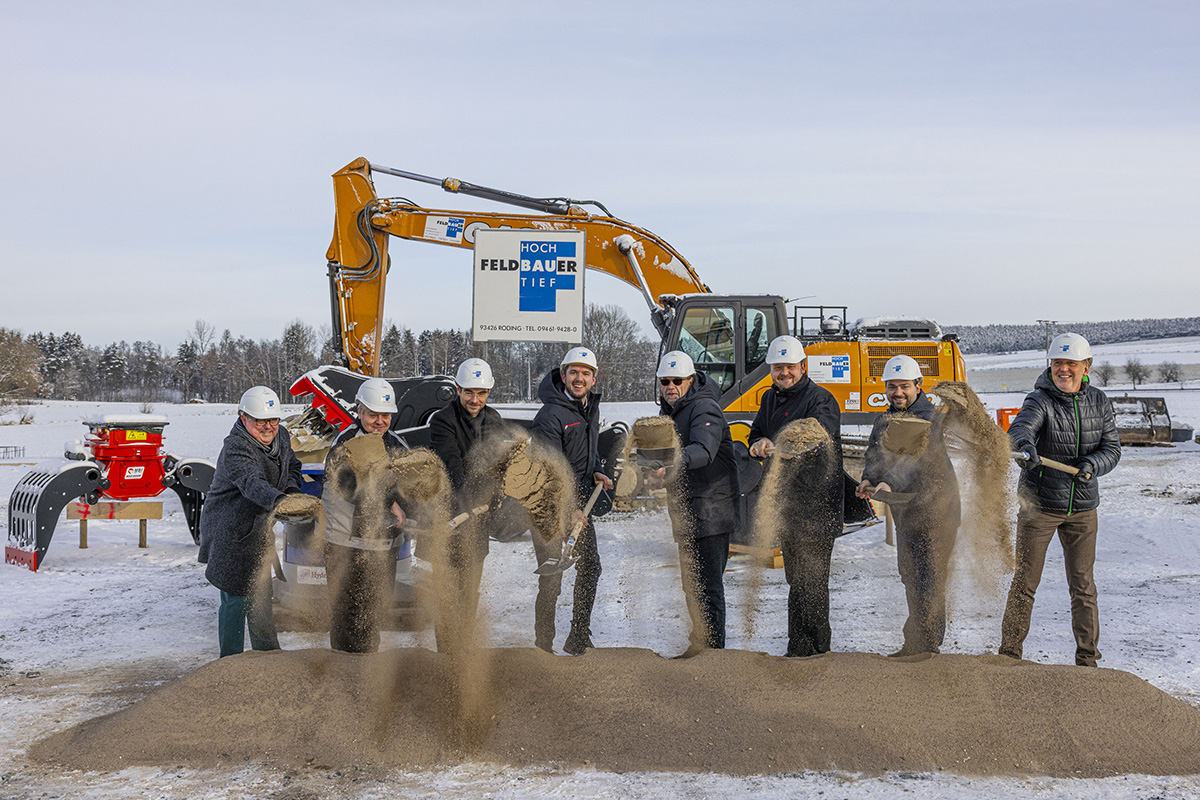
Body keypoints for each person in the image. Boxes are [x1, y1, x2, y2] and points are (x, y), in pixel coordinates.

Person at [1000, 333, 1121, 667]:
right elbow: (1020, 430)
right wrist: (1025, 448)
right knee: (1025, 582)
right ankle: (1010, 654)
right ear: (1049, 365)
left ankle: (1087, 659)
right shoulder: (1039, 400)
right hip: (1039, 506)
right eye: (1057, 363)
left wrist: (1092, 465)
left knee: (1083, 586)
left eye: (1070, 364)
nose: (1063, 370)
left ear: (1086, 367)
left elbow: (1112, 449)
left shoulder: (1099, 401)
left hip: (1083, 509)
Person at [856, 354, 960, 656]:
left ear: (918, 386)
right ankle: (915, 641)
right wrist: (867, 478)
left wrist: (889, 481)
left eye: (904, 386)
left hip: (938, 512)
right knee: (910, 577)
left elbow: (915, 459)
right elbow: (874, 454)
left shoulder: (930, 420)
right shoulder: (885, 418)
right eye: (892, 387)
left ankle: (927, 648)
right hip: (907, 513)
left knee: (930, 579)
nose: (897, 393)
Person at [747, 335, 843, 657]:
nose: (784, 373)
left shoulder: (821, 399)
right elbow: (756, 430)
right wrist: (758, 442)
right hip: (788, 506)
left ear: (803, 366)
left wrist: (786, 445)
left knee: (812, 585)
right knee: (796, 582)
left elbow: (818, 433)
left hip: (818, 507)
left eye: (789, 367)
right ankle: (797, 650)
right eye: (777, 368)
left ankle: (818, 653)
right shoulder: (769, 400)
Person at [198, 386, 302, 658]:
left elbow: (293, 466)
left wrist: (291, 491)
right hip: (229, 528)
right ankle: (230, 661)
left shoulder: (281, 436)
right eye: (260, 421)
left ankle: (267, 655)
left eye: (273, 420)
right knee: (235, 597)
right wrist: (281, 501)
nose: (268, 427)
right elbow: (251, 482)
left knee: (260, 592)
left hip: (258, 526)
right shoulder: (236, 447)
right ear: (244, 418)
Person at [650, 350, 740, 656]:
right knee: (692, 586)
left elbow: (702, 450)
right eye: (665, 381)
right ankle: (700, 643)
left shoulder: (704, 408)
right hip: (689, 512)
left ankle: (713, 654)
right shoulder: (671, 414)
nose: (671, 386)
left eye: (677, 381)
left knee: (709, 588)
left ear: (690, 380)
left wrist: (674, 460)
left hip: (712, 510)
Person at [530, 346, 613, 655]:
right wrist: (569, 510)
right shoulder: (550, 415)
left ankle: (579, 636)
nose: (579, 379)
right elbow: (550, 471)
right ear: (563, 375)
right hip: (548, 504)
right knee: (552, 577)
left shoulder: (589, 408)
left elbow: (587, 452)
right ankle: (543, 647)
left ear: (594, 378)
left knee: (590, 566)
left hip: (578, 501)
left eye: (586, 373)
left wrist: (598, 470)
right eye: (574, 372)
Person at [322, 377, 411, 654]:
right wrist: (390, 503)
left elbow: (409, 485)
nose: (379, 421)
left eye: (385, 415)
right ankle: (343, 670)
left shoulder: (396, 444)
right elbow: (349, 487)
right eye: (373, 414)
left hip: (382, 545)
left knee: (373, 611)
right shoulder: (344, 443)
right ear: (359, 411)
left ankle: (368, 667)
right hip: (345, 543)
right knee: (346, 612)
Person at [428, 357, 504, 654]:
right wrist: (475, 498)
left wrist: (498, 491)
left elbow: (496, 463)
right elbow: (453, 465)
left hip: (477, 523)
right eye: (469, 392)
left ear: (488, 393)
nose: (475, 399)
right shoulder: (443, 420)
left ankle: (464, 653)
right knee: (446, 592)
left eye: (481, 393)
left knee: (469, 591)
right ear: (457, 389)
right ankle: (445, 654)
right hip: (448, 518)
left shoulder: (494, 419)